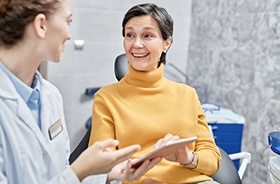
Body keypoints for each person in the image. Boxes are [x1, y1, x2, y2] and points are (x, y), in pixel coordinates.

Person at [0, 0, 162, 183]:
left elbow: (60, 174)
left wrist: (108, 175)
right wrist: (79, 170)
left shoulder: (51, 96)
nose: (69, 35)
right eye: (67, 21)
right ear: (41, 25)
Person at [89, 3, 221, 184]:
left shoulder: (187, 95)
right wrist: (141, 180)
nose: (136, 44)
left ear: (167, 43)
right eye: (130, 35)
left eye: (147, 35)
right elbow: (100, 165)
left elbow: (213, 160)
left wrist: (187, 157)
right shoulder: (106, 98)